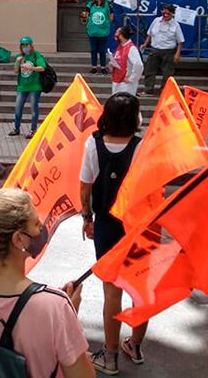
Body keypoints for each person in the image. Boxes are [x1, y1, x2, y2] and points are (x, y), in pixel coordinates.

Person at [0, 188, 94, 378]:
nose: (41, 229)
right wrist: (69, 315)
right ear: (19, 239)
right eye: (36, 224)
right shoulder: (56, 306)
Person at [79, 93, 147, 375]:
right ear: (134, 119)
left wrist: (87, 216)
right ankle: (136, 346)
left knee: (112, 290)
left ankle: (110, 356)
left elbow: (85, 186)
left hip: (106, 224)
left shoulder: (93, 144)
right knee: (140, 290)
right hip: (138, 225)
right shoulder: (142, 147)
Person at [139, 4, 184, 96]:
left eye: (168, 13)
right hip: (155, 49)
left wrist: (177, 54)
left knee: (167, 73)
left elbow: (180, 42)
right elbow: (149, 34)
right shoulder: (156, 21)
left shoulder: (175, 25)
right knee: (149, 70)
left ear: (172, 14)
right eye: (164, 12)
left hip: (169, 51)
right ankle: (148, 90)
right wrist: (145, 44)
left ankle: (164, 91)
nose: (165, 15)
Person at [9, 36, 45, 138]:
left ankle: (33, 130)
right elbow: (16, 71)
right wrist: (17, 62)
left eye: (27, 45)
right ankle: (16, 128)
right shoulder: (20, 57)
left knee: (34, 109)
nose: (25, 47)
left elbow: (42, 68)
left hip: (35, 86)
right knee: (18, 108)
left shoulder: (36, 55)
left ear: (31, 45)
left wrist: (31, 68)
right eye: (23, 45)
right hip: (22, 86)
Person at [86, 0, 113, 75]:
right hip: (92, 31)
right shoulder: (90, 5)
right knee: (93, 49)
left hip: (103, 32)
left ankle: (103, 67)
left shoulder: (107, 5)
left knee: (102, 50)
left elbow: (111, 16)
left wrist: (107, 23)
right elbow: (86, 15)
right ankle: (94, 67)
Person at [109, 25, 142, 96]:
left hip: (126, 84)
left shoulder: (131, 48)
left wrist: (131, 78)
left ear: (121, 35)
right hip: (117, 80)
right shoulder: (120, 46)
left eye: (117, 32)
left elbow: (139, 65)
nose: (115, 34)